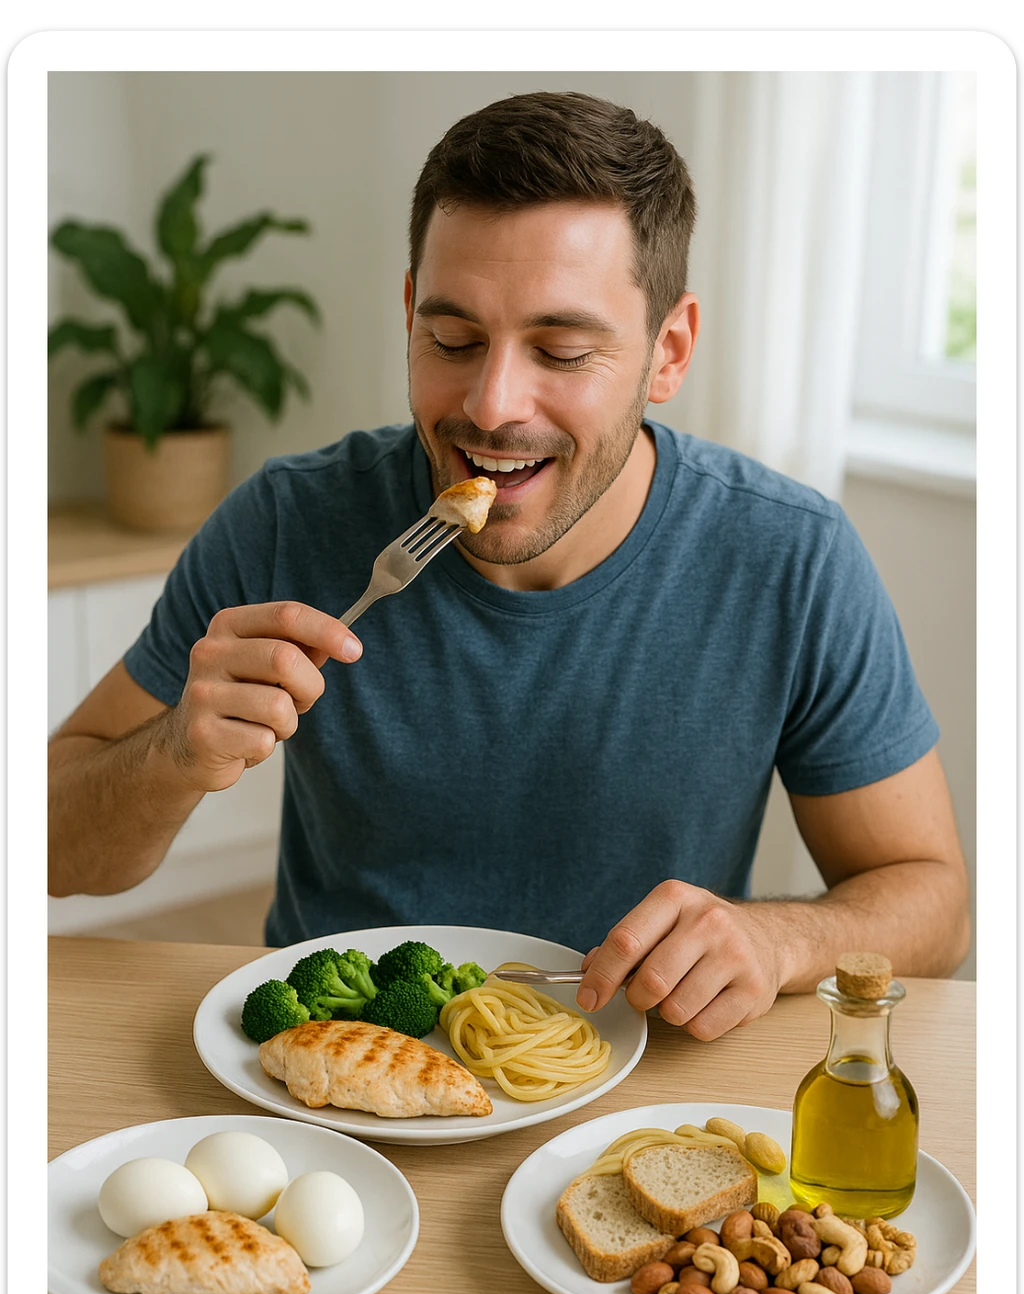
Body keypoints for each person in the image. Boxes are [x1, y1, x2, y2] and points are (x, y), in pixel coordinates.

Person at [48, 91, 970, 1041]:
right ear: (409, 312)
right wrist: (173, 757)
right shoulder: (286, 524)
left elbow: (933, 902)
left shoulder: (791, 558)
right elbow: (51, 845)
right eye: (452, 340)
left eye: (562, 350)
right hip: (336, 1068)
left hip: (635, 1090)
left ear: (669, 352)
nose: (490, 406)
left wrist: (782, 941)